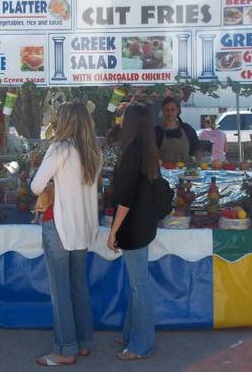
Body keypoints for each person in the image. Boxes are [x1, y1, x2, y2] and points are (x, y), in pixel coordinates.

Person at [30, 102, 102, 367]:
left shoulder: (59, 149)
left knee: (60, 290)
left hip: (59, 225)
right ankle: (83, 342)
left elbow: (36, 187)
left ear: (65, 121)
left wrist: (51, 182)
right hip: (84, 227)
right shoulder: (94, 151)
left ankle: (64, 349)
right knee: (78, 286)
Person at [107, 102, 159, 361]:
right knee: (136, 283)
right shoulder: (148, 151)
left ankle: (142, 344)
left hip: (133, 226)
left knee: (139, 286)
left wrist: (112, 231)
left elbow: (125, 199)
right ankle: (131, 334)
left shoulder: (131, 153)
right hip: (144, 224)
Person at [154, 96, 201, 163]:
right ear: (162, 111)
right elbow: (151, 153)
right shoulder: (157, 131)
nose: (170, 113)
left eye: (173, 109)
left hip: (185, 171)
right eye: (167, 110)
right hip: (164, 172)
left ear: (178, 110)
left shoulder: (187, 129)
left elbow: (197, 149)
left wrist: (197, 164)